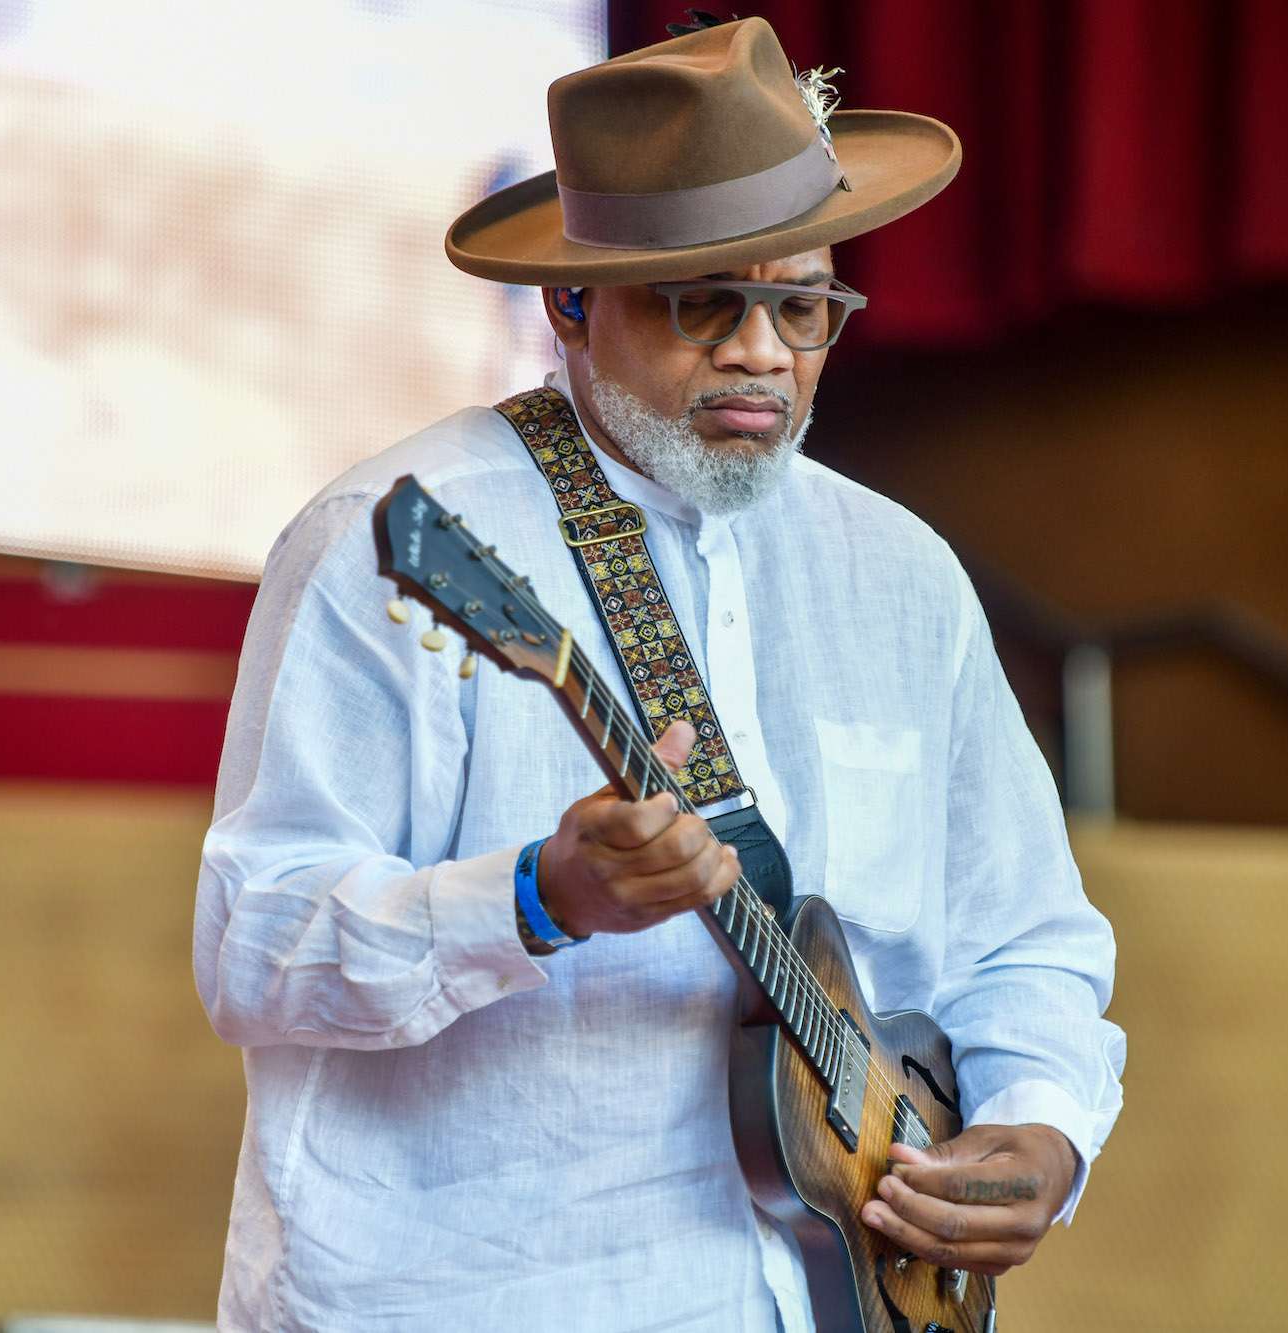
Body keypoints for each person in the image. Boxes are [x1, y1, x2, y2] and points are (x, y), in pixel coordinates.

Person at [194, 17, 1124, 1331]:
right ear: (567, 305)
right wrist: (535, 893)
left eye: (804, 306)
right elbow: (255, 943)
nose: (761, 353)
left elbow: (1025, 933)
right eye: (707, 303)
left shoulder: (901, 575)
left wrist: (1043, 1124)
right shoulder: (387, 541)